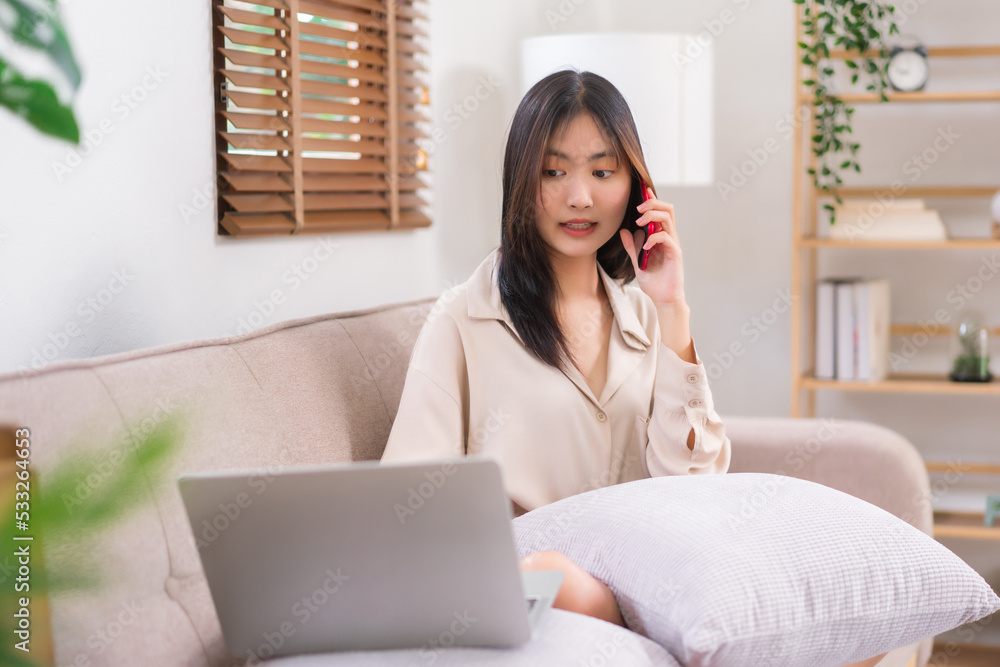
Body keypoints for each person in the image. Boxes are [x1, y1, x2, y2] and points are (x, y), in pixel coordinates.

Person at [379, 69, 884, 667]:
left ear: (636, 187)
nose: (580, 197)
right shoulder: (464, 320)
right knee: (556, 576)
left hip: (650, 570)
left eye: (603, 171)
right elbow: (407, 499)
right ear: (521, 179)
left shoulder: (645, 314)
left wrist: (673, 309)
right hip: (536, 578)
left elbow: (695, 484)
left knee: (845, 611)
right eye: (553, 171)